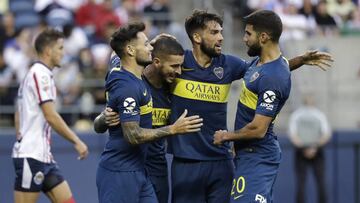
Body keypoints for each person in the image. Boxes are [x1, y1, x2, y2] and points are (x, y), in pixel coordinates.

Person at [169, 9, 333, 203]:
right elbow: (267, 70)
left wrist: (226, 136)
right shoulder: (178, 62)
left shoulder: (230, 65)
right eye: (214, 32)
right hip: (194, 160)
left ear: (263, 37)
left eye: (221, 32)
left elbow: (270, 75)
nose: (222, 37)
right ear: (196, 37)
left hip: (229, 158)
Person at [96, 22, 203, 203]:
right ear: (130, 50)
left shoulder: (119, 66)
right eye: (147, 45)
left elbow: (117, 51)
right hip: (120, 170)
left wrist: (159, 40)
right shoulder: (128, 87)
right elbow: (132, 135)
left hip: (144, 168)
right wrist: (172, 129)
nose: (151, 48)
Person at [213, 10, 295, 202]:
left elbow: (258, 129)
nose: (244, 38)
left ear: (264, 37)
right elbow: (278, 68)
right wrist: (303, 59)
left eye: (248, 34)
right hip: (248, 154)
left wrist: (226, 136)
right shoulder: (261, 63)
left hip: (258, 155)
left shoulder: (273, 77)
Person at [12, 29, 89, 203]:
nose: (64, 52)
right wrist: (76, 141)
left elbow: (18, 114)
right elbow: (50, 116)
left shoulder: (35, 73)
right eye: (60, 48)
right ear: (48, 51)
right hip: (31, 156)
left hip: (43, 157)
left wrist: (21, 136)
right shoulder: (40, 74)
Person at [288, 94, 331, 203]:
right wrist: (313, 147)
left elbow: (293, 135)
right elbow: (326, 134)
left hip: (306, 150)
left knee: (306, 182)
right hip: (313, 150)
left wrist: (306, 148)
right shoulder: (319, 115)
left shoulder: (297, 115)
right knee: (308, 182)